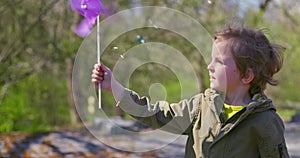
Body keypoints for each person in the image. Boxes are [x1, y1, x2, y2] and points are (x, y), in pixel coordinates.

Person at [91, 27, 290, 158]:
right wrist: (113, 86)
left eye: (219, 62)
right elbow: (156, 113)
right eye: (211, 60)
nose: (210, 67)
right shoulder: (200, 107)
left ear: (246, 76)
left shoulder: (266, 122)